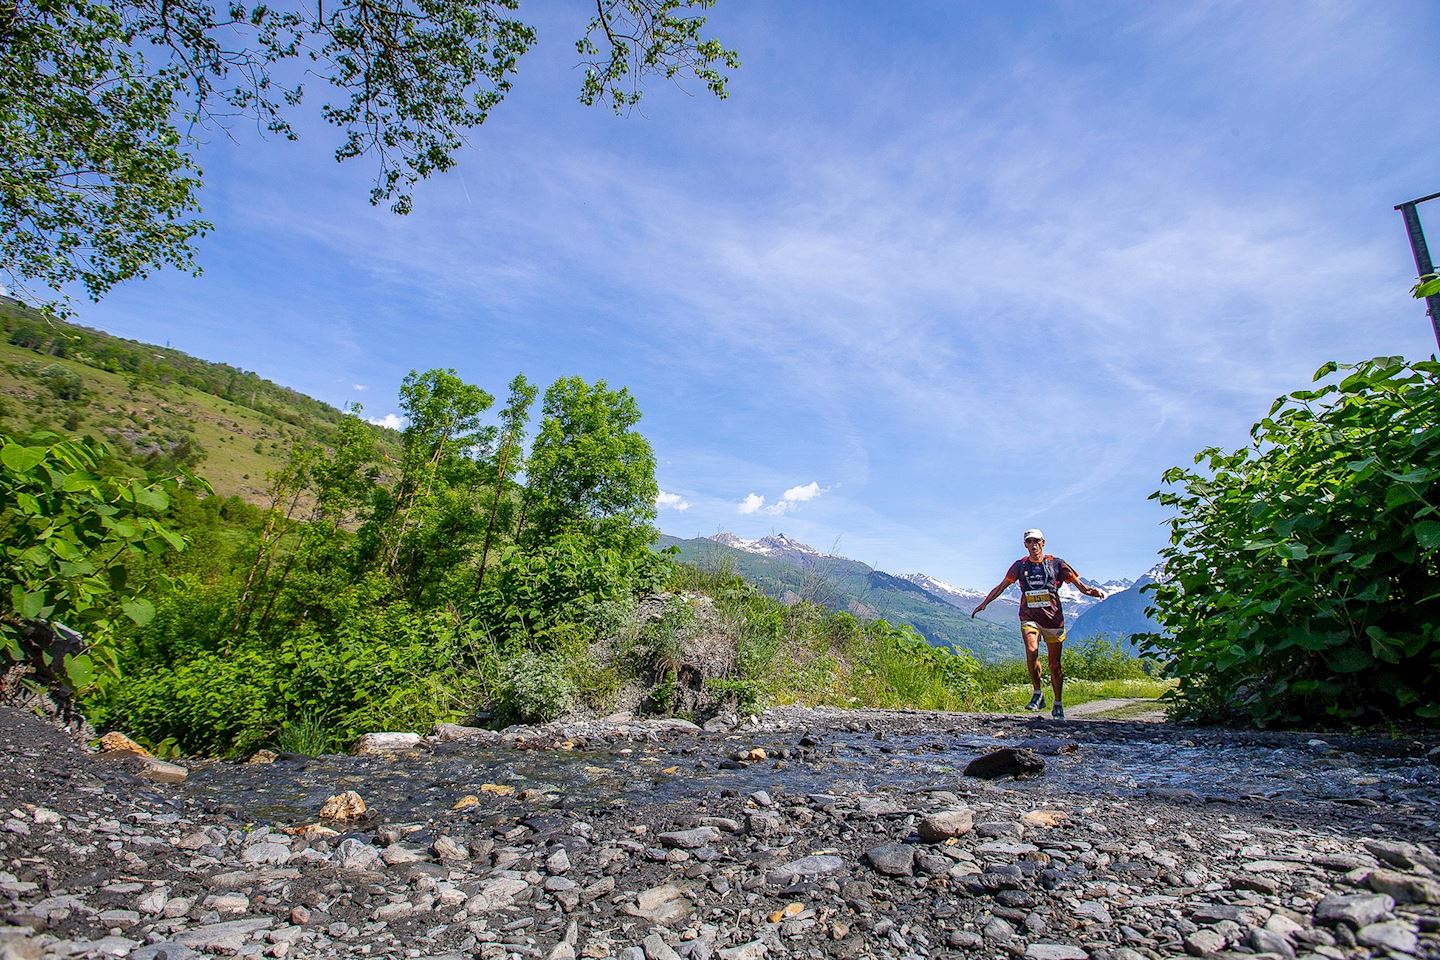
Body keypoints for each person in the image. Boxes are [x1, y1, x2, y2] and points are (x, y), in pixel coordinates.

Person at [971, 529, 1105, 720]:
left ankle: (1058, 703)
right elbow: (1002, 586)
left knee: (1054, 664)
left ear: (1043, 543)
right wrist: (985, 603)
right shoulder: (1019, 566)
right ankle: (1037, 693)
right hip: (1029, 616)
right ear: (1025, 545)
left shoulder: (1057, 564)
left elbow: (1080, 586)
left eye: (1036, 541)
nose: (1033, 545)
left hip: (1053, 619)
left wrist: (1092, 591)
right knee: (1032, 651)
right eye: (1029, 542)